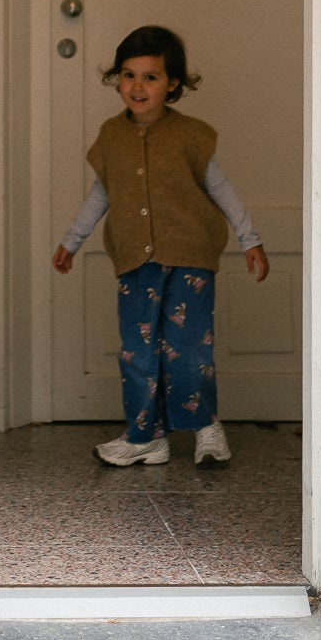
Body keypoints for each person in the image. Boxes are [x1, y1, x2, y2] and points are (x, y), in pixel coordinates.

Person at [52, 25, 269, 467]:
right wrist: (72, 241)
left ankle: (207, 427)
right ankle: (144, 436)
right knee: (137, 352)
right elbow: (102, 193)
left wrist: (251, 240)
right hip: (134, 260)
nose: (137, 86)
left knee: (188, 349)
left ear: (172, 83)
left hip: (190, 258)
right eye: (128, 75)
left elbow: (222, 189)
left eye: (150, 77)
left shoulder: (191, 135)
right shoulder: (111, 136)